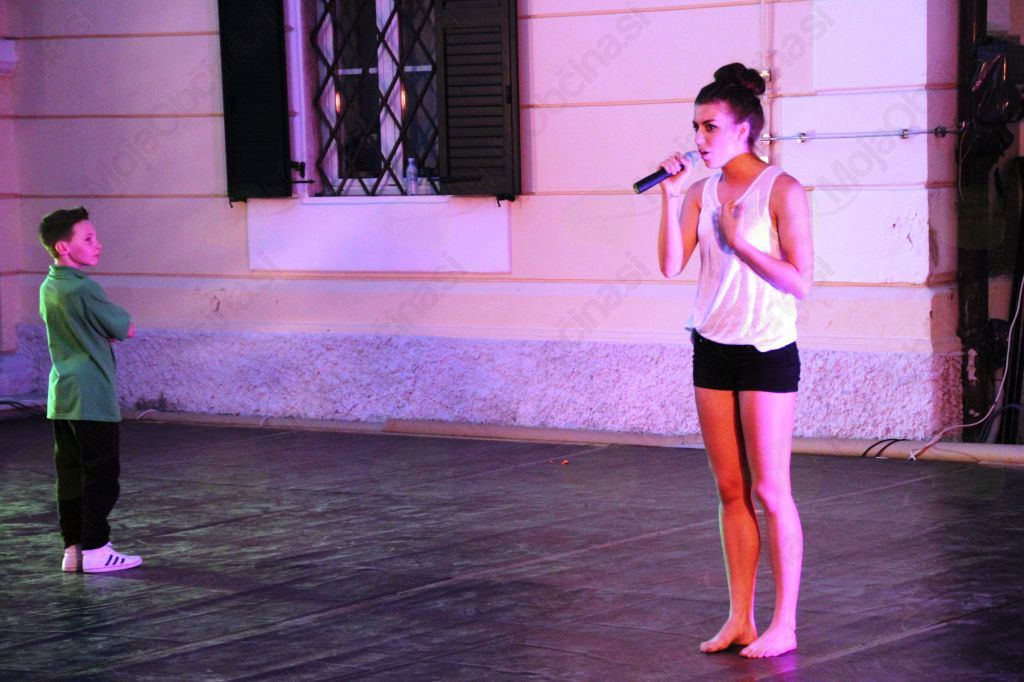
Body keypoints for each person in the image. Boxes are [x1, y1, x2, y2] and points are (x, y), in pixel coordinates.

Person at [656, 63, 813, 658]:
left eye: (711, 127)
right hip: (712, 347)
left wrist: (742, 243)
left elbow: (800, 282)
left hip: (766, 352)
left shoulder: (782, 190)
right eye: (696, 127)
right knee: (730, 489)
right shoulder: (701, 192)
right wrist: (671, 198)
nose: (700, 139)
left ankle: (784, 624)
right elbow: (670, 265)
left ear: (744, 130)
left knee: (772, 489)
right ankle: (740, 618)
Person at [38, 207, 143, 573]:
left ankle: (74, 550)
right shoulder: (84, 288)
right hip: (91, 394)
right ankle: (98, 549)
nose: (97, 244)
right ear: (63, 247)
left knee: (70, 476)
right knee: (101, 476)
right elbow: (125, 328)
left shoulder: (49, 286)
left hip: (62, 395)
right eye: (87, 239)